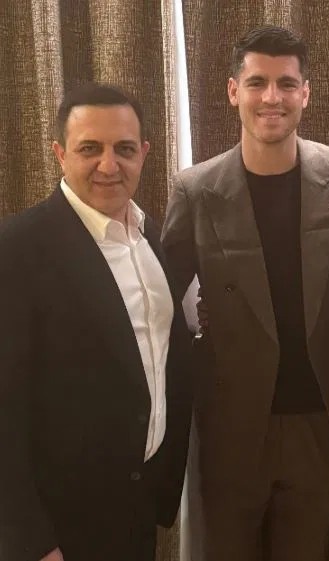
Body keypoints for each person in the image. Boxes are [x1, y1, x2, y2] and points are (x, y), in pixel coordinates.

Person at [162, 25, 329, 561]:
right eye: (257, 83)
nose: (271, 97)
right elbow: (160, 301)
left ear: (306, 93)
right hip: (229, 425)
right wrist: (206, 336)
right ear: (234, 91)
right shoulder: (195, 188)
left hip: (319, 422)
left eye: (286, 83)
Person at [0, 83, 193, 561]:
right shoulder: (17, 249)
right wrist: (30, 540)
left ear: (144, 153)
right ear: (60, 154)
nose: (109, 165)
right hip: (61, 525)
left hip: (137, 504)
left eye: (124, 149)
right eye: (90, 148)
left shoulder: (149, 238)